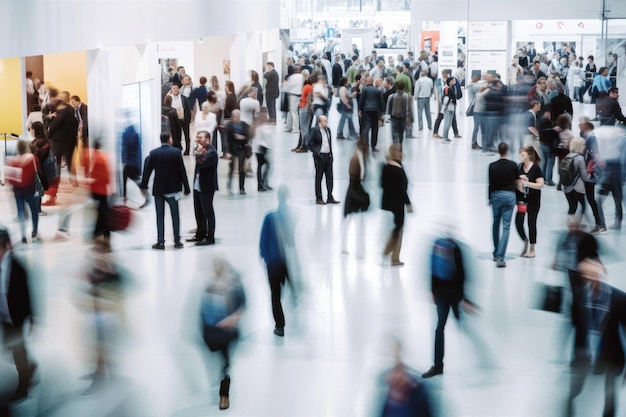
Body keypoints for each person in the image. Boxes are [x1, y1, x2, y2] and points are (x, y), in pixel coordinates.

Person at [566, 258, 626, 417]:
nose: (591, 282)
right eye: (587, 278)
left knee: (610, 392)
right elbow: (574, 324)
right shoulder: (579, 296)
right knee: (574, 391)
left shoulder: (619, 299)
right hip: (584, 352)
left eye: (594, 278)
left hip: (611, 355)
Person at [422, 231, 477, 378]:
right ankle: (439, 365)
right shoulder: (456, 248)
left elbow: (432, 271)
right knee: (449, 325)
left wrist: (433, 291)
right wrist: (464, 298)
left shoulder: (438, 246)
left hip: (442, 294)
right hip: (452, 295)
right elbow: (463, 274)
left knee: (440, 327)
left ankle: (438, 366)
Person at [200, 257, 246, 410]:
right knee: (220, 364)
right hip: (213, 336)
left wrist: (233, 318)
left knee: (225, 365)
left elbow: (243, 304)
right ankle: (221, 382)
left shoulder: (233, 288)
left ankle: (224, 395)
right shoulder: (209, 289)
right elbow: (203, 316)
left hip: (226, 336)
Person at [0, 229, 37, 402]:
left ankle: (23, 385)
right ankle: (30, 366)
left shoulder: (17, 268)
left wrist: (33, 319)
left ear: (7, 246)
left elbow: (28, 294)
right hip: (3, 316)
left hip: (16, 317)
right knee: (10, 347)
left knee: (17, 350)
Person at [140, 132, 191, 250]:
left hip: (158, 189)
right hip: (173, 189)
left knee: (160, 216)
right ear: (169, 139)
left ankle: (160, 241)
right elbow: (182, 171)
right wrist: (186, 188)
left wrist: (144, 185)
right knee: (175, 215)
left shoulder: (153, 153)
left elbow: (147, 171)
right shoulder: (176, 152)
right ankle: (177, 241)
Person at [259, 186, 298, 337]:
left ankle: (279, 325)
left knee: (275, 296)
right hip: (287, 262)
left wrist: (265, 258)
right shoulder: (293, 216)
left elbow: (263, 243)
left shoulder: (270, 218)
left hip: (274, 264)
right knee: (291, 288)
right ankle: (295, 303)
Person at [7, 140, 44, 244]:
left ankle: (23, 236)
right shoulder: (32, 158)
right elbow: (38, 172)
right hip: (30, 188)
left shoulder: (13, 160)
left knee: (21, 212)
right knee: (34, 211)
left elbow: (10, 178)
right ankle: (35, 232)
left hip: (17, 190)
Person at [381, 144, 413, 266]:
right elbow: (402, 189)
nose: (402, 153)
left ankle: (391, 254)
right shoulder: (398, 170)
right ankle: (391, 254)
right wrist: (408, 204)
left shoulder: (385, 167)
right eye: (400, 151)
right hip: (397, 204)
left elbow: (382, 185)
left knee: (396, 229)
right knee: (398, 230)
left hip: (387, 202)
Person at [488, 142, 518, 268]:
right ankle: (501, 257)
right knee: (506, 226)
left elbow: (490, 183)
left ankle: (495, 252)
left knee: (495, 223)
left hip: (496, 196)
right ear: (507, 151)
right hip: (509, 196)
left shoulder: (492, 166)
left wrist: (489, 198)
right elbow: (517, 182)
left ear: (498, 151)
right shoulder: (513, 165)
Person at [189, 130, 219, 246]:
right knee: (198, 211)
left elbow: (202, 162)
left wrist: (198, 154)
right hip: (198, 185)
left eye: (200, 137)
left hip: (206, 186)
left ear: (207, 139)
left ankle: (210, 237)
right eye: (197, 137)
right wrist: (198, 153)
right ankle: (200, 233)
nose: (198, 139)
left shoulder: (212, 153)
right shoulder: (201, 149)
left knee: (208, 212)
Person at [340, 140, 370, 257]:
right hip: (354, 192)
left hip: (356, 190)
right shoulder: (356, 158)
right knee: (349, 222)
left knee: (356, 222)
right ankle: (346, 247)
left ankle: (360, 248)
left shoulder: (360, 156)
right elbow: (354, 178)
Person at [515, 146, 544, 258]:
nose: (520, 157)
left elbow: (541, 184)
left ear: (529, 155)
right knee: (518, 222)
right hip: (522, 200)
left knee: (531, 223)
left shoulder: (536, 169)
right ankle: (525, 240)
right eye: (519, 154)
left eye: (522, 154)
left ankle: (532, 249)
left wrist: (527, 184)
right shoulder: (519, 167)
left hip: (533, 201)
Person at [579, 120, 606, 234]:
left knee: (591, 200)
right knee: (590, 199)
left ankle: (600, 224)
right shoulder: (589, 137)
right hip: (591, 173)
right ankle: (597, 223)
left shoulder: (591, 138)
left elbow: (594, 154)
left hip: (590, 174)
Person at [309, 114, 339, 205]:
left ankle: (330, 196)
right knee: (319, 177)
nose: (326, 122)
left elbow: (329, 143)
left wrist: (331, 155)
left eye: (326, 120)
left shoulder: (328, 130)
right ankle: (319, 198)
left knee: (330, 177)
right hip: (320, 157)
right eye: (324, 121)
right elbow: (310, 143)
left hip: (328, 157)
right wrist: (317, 153)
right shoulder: (314, 130)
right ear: (319, 121)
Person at [88, 140, 113, 243]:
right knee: (103, 212)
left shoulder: (92, 157)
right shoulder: (102, 157)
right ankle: (104, 233)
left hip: (95, 189)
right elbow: (106, 175)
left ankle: (98, 232)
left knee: (100, 212)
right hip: (102, 189)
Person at [562, 137, 591, 218]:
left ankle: (570, 225)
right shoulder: (580, 158)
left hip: (566, 186)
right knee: (583, 206)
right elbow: (585, 177)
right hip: (577, 187)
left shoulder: (567, 156)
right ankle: (577, 225)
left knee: (572, 207)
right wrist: (590, 172)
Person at [224, 109, 250, 196]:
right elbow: (226, 139)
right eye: (235, 117)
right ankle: (229, 185)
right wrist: (227, 152)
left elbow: (248, 135)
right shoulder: (229, 125)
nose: (237, 118)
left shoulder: (244, 125)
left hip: (241, 148)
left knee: (241, 168)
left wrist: (242, 138)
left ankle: (241, 188)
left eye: (238, 117)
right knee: (231, 168)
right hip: (232, 148)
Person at [121, 121, 146, 205]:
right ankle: (125, 196)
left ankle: (125, 197)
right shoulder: (135, 135)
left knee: (129, 178)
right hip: (133, 162)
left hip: (129, 162)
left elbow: (125, 149)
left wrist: (124, 160)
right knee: (131, 178)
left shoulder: (126, 134)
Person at [359, 76, 384, 152]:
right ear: (372, 81)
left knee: (366, 127)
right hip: (375, 110)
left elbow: (361, 100)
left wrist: (360, 110)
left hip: (366, 110)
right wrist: (382, 112)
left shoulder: (365, 89)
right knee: (375, 128)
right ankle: (373, 146)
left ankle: (366, 144)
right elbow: (381, 102)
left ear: (367, 82)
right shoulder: (377, 90)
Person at [253, 108, 273, 191]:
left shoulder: (261, 126)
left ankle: (263, 183)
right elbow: (266, 135)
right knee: (263, 166)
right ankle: (261, 184)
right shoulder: (261, 127)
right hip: (260, 148)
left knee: (262, 166)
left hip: (262, 148)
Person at [386, 79, 410, 144]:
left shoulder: (391, 96)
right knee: (401, 133)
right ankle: (400, 147)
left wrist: (387, 117)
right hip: (403, 118)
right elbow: (407, 108)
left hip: (394, 118)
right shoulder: (406, 96)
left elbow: (388, 109)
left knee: (394, 133)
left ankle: (395, 147)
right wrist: (408, 117)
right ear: (404, 87)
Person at [439, 77, 457, 143]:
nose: (454, 82)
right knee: (447, 123)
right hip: (447, 108)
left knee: (449, 123)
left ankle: (446, 137)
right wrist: (445, 106)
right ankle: (444, 138)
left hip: (451, 107)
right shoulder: (447, 88)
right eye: (453, 81)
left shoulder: (451, 88)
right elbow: (446, 98)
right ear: (449, 81)